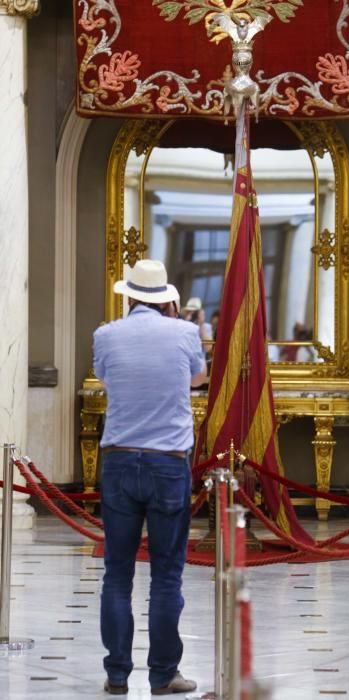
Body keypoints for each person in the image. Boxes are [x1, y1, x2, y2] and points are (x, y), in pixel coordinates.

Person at [93, 260, 207, 696]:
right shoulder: (183, 332)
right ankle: (163, 675)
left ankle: (118, 675)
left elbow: (106, 378)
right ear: (168, 300)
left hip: (120, 461)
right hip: (167, 463)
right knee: (166, 575)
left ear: (129, 296)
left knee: (117, 574)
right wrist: (179, 324)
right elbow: (197, 379)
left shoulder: (106, 333)